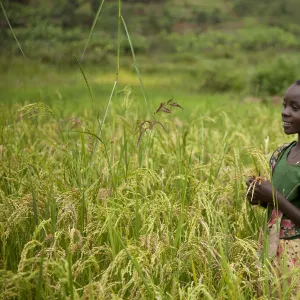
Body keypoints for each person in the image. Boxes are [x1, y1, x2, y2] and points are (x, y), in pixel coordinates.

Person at [246, 80, 300, 294]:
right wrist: (259, 197)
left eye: (295, 108)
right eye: (284, 105)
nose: (285, 113)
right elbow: (275, 206)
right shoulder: (281, 154)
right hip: (270, 248)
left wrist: (275, 197)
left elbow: (280, 200)